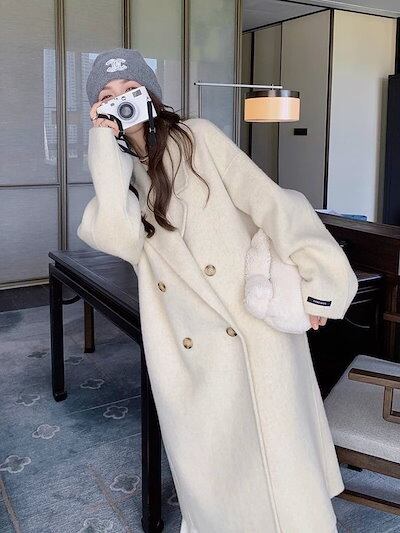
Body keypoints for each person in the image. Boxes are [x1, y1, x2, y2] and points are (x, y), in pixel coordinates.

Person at [78, 47, 359, 533]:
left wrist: (320, 281)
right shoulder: (116, 185)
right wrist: (104, 146)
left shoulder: (199, 139)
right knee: (217, 476)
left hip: (250, 328)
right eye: (107, 97)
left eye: (131, 90)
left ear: (151, 94)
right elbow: (121, 240)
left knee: (279, 469)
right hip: (188, 351)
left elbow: (272, 203)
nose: (120, 100)